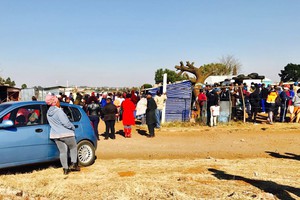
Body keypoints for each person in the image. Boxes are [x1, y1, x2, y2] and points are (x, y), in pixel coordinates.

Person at [45, 94, 80, 175]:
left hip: (55, 135)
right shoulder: (59, 111)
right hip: (66, 133)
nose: (59, 102)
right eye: (58, 101)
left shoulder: (48, 113)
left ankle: (65, 169)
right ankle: (74, 164)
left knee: (63, 152)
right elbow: (66, 123)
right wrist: (72, 127)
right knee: (73, 147)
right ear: (55, 102)